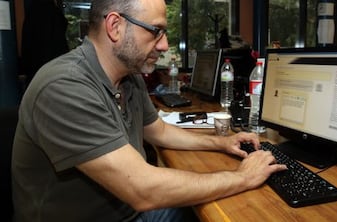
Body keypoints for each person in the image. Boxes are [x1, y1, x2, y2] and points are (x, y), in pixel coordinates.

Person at [11, 1, 288, 222]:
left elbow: (160, 131)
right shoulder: (65, 86)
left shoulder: (127, 77)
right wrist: (242, 177)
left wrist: (221, 142)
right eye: (155, 30)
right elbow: (142, 189)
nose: (165, 44)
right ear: (115, 26)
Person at [21, 0, 69, 85]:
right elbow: (59, 46)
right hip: (53, 73)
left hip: (35, 74)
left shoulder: (31, 12)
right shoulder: (53, 13)